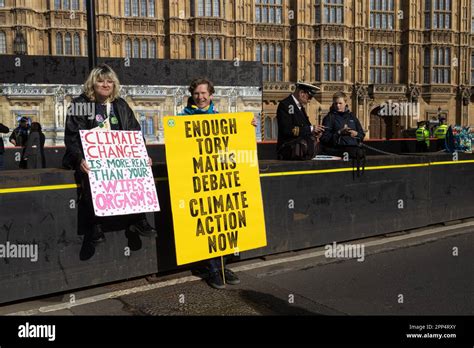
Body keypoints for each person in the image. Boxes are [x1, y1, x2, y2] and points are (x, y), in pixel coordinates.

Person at [63, 64, 157, 260]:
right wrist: (80, 158)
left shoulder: (120, 105)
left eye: (109, 81)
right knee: (92, 173)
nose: (105, 84)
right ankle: (95, 225)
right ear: (92, 83)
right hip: (89, 157)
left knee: (138, 169)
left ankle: (139, 219)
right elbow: (72, 137)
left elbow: (135, 132)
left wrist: (143, 154)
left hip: (117, 157)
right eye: (100, 80)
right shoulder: (80, 104)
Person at [179, 77, 256, 289]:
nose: (200, 97)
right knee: (206, 225)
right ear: (192, 96)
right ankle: (212, 269)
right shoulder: (182, 119)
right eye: (196, 94)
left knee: (223, 223)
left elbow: (234, 143)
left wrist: (247, 128)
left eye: (204, 93)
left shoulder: (220, 118)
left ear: (211, 95)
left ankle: (222, 265)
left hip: (220, 179)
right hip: (197, 179)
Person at [276, 82, 325, 160]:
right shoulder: (286, 105)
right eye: (309, 97)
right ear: (302, 93)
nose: (309, 100)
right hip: (289, 151)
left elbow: (306, 126)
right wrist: (311, 129)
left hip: (301, 151)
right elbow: (287, 130)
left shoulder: (300, 107)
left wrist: (315, 132)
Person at [320, 92, 365, 158]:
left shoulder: (352, 117)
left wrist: (356, 134)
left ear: (345, 103)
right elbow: (324, 138)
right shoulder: (329, 118)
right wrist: (339, 132)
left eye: (340, 103)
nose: (338, 105)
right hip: (338, 152)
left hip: (354, 151)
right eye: (335, 103)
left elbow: (362, 134)